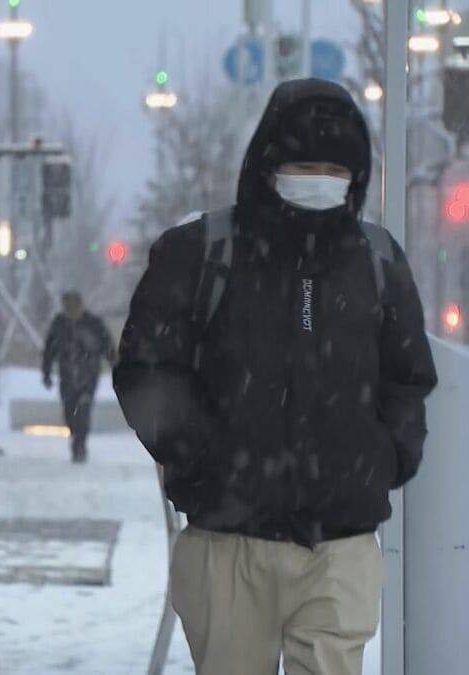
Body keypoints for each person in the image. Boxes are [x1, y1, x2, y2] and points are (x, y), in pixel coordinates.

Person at [114, 79, 437, 675]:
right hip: (226, 546)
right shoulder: (201, 252)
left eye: (335, 168)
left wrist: (384, 460)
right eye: (304, 165)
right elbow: (146, 370)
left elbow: (407, 378)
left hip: (340, 549)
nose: (320, 179)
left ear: (356, 176)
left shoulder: (377, 260)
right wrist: (203, 458)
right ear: (267, 165)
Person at [42, 291, 115, 463]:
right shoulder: (59, 324)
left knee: (83, 410)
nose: (70, 311)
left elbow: (107, 346)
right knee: (69, 412)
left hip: (88, 375)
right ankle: (76, 436)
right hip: (67, 376)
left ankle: (80, 445)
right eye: (67, 307)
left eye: (73, 307)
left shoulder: (93, 324)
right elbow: (49, 350)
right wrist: (46, 372)